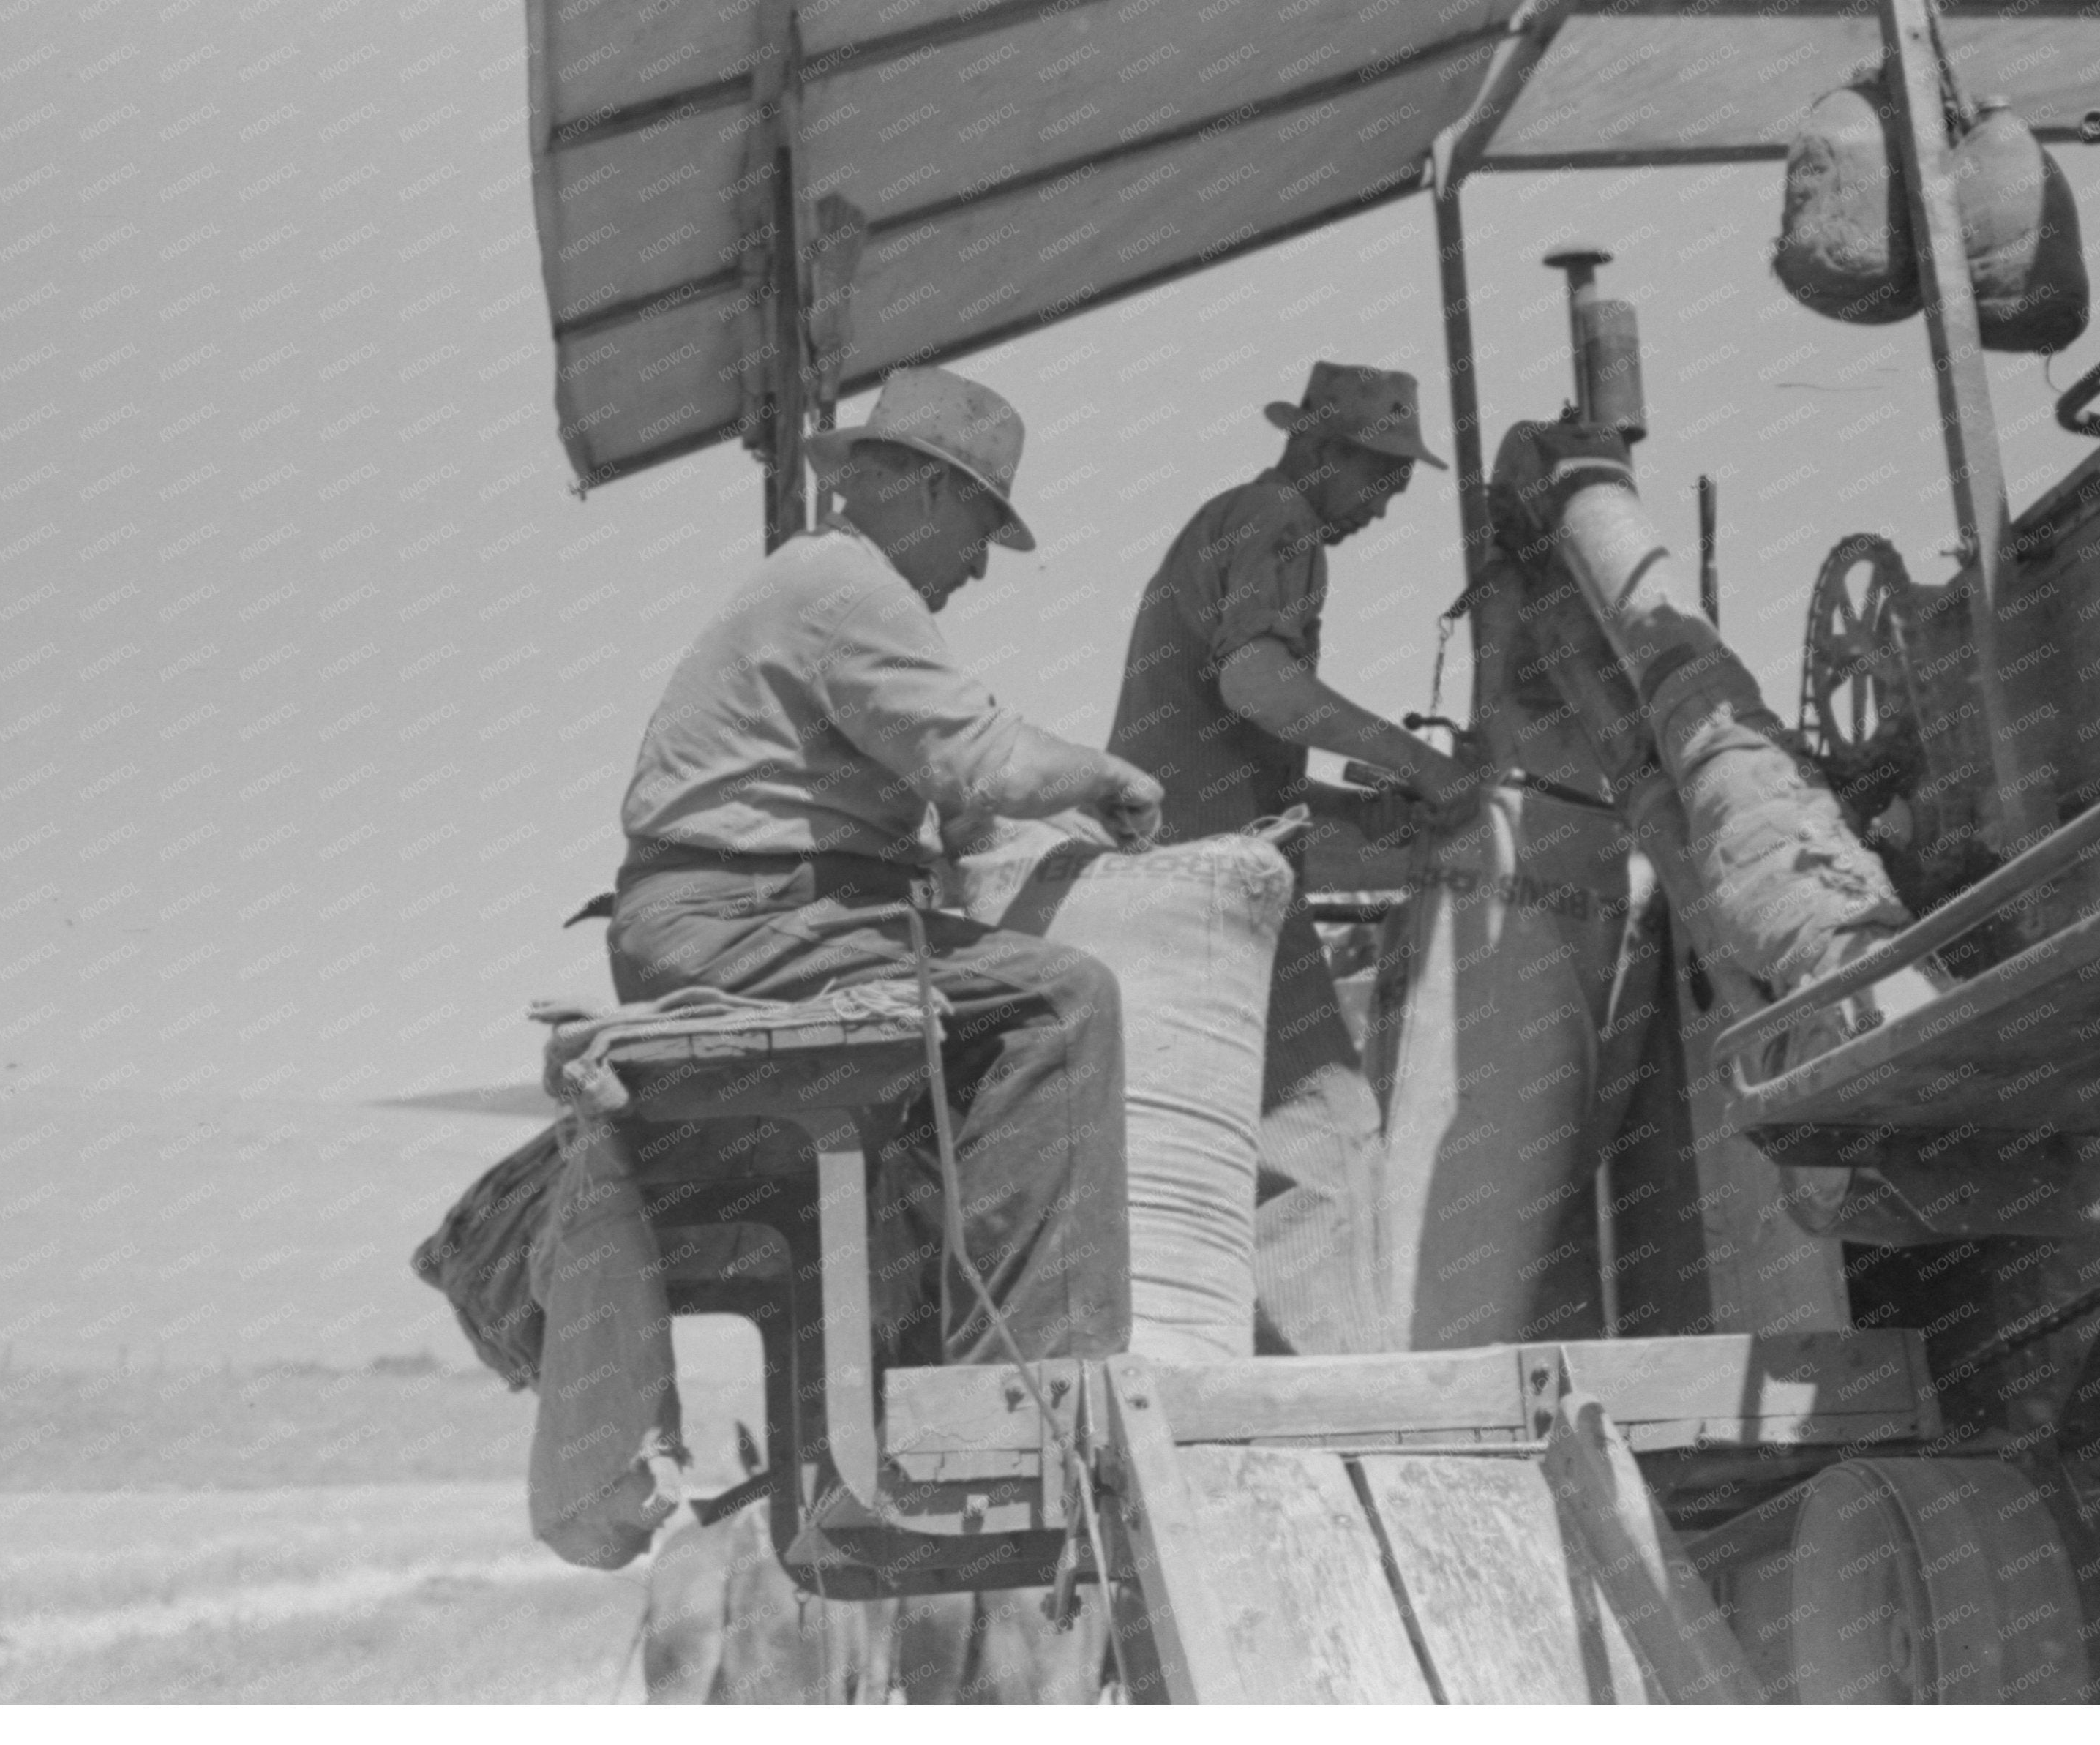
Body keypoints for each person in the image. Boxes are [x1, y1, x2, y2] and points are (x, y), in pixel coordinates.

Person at [604, 365, 1163, 1370]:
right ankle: (1040, 1374)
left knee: (949, 1088)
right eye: (982, 528)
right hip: (738, 921)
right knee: (1060, 1001)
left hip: (741, 915)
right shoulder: (848, 589)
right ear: (933, 489)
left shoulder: (824, 585)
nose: (983, 567)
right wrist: (1106, 773)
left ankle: (918, 1381)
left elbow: (949, 787)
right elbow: (988, 760)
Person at [1108, 360, 1484, 1355]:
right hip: (1217, 890)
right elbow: (1257, 683)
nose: (1386, 506)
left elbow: (1219, 750)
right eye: (1380, 479)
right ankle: (1343, 1395)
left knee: (1273, 1144)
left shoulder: (1223, 520)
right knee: (1326, 1130)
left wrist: (1356, 806)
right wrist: (1415, 761)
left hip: (1179, 871)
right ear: (1321, 452)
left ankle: (1294, 1369)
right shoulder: (1280, 522)